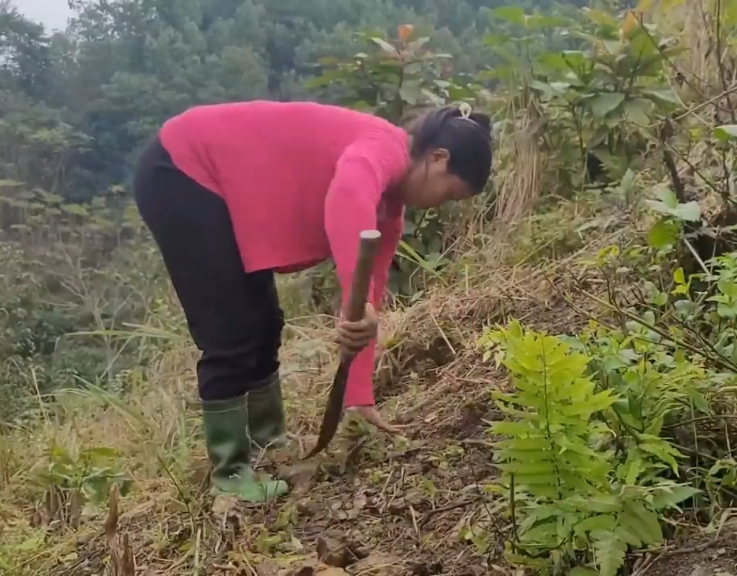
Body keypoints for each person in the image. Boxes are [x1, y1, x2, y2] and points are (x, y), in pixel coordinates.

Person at [132, 101, 493, 503]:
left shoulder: (389, 209)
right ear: (438, 158)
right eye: (448, 193)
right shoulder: (384, 147)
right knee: (229, 329)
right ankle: (231, 473)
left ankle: (270, 445)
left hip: (220, 187)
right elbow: (348, 191)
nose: (438, 204)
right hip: (182, 168)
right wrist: (353, 301)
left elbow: (366, 303)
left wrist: (360, 400)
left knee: (265, 323)